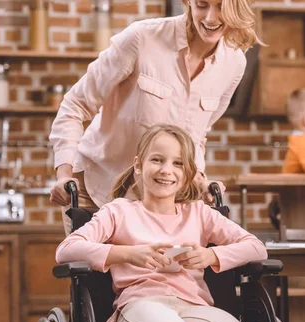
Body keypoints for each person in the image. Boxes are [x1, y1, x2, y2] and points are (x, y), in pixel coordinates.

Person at [56, 124, 266, 322]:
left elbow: (256, 247)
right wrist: (130, 254)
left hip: (192, 305)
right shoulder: (119, 211)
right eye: (157, 159)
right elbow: (67, 250)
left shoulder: (199, 214)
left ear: (187, 174)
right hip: (139, 306)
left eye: (177, 163)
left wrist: (211, 255)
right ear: (139, 166)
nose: (167, 170)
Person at [48, 0, 261, 230]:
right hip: (97, 192)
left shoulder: (234, 63)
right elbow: (74, 106)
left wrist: (198, 179)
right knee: (94, 265)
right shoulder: (142, 38)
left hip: (160, 206)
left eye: (221, 7)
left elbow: (197, 136)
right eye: (202, 4)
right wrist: (64, 174)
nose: (210, 17)